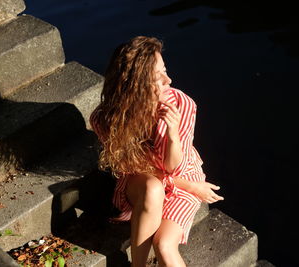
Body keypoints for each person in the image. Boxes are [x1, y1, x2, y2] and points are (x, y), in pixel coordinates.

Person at [90, 36, 223, 267]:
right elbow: (131, 167)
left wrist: (172, 134)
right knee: (152, 188)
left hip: (182, 175)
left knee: (164, 245)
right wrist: (192, 187)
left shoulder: (182, 104)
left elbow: (175, 167)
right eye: (157, 78)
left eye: (165, 70)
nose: (168, 79)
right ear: (134, 85)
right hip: (145, 184)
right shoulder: (105, 120)